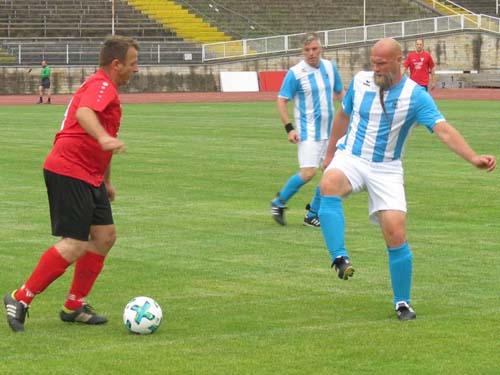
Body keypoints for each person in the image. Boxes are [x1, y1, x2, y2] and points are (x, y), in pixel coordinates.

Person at [318, 38, 496, 321]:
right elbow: (343, 116)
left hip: (386, 168)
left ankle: (402, 302)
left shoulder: (416, 96)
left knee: (395, 232)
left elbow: (444, 130)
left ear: (399, 61)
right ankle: (340, 257)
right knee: (329, 184)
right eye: (373, 62)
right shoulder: (360, 82)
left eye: (381, 63)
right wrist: (329, 153)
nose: (375, 68)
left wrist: (473, 157)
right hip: (351, 156)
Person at [4, 35, 139, 332]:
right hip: (70, 169)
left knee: (104, 236)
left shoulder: (106, 88)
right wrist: (104, 138)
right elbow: (84, 113)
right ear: (116, 64)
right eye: (133, 63)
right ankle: (20, 297)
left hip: (90, 174)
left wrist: (106, 180)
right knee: (75, 243)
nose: (136, 69)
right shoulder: (101, 86)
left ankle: (74, 305)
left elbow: (102, 140)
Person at [271, 32, 345, 227]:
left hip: (330, 132)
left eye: (314, 49)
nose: (311, 53)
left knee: (331, 173)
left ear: (321, 49)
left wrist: (350, 112)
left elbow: (339, 91)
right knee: (308, 173)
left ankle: (312, 214)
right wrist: (289, 128)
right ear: (302, 52)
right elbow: (281, 100)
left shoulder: (330, 67)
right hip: (308, 132)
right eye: (307, 50)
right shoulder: (295, 73)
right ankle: (278, 202)